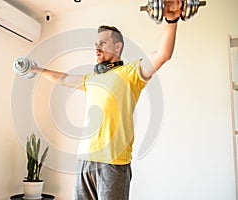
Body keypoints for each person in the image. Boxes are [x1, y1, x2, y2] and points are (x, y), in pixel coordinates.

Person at [31, 1, 182, 199]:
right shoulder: (92, 78)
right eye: (96, 44)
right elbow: (63, 78)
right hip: (84, 161)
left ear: (118, 46)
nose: (97, 48)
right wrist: (34, 69)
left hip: (113, 162)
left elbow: (163, 54)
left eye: (102, 43)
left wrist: (172, 19)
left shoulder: (130, 73)